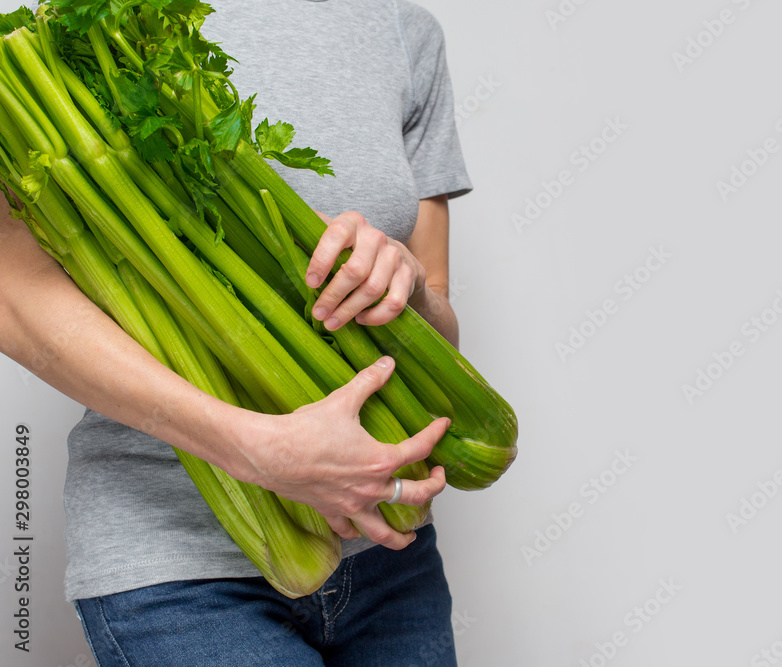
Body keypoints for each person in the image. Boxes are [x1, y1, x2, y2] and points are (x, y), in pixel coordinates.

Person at [0, 0, 471, 664]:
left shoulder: (403, 30)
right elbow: (15, 307)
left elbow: (441, 338)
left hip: (391, 559)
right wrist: (255, 448)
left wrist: (409, 284)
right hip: (177, 568)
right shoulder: (72, 29)